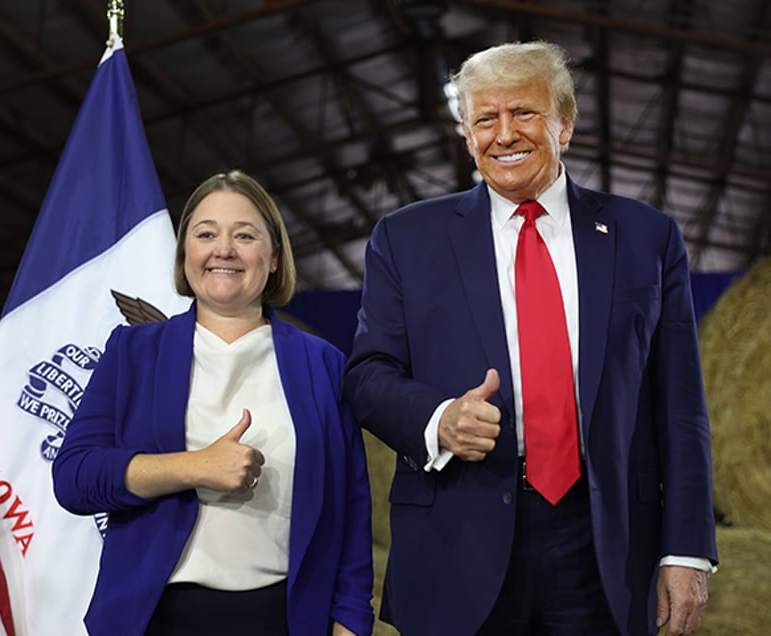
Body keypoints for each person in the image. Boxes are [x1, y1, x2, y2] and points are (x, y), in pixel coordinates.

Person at [342, 41, 717, 636]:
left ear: (563, 124)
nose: (504, 133)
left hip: (607, 545)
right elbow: (367, 375)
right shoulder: (405, 239)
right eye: (485, 119)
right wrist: (438, 419)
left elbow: (681, 409)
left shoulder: (647, 237)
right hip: (458, 534)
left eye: (524, 113)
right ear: (467, 136)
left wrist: (688, 550)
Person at [53, 170, 374, 636]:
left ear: (275, 256)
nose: (223, 248)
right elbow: (75, 477)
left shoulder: (322, 362)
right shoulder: (131, 352)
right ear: (186, 253)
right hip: (156, 618)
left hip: (286, 618)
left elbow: (351, 505)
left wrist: (350, 621)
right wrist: (196, 467)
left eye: (244, 235)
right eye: (206, 234)